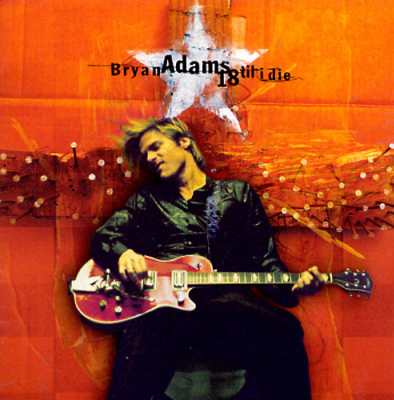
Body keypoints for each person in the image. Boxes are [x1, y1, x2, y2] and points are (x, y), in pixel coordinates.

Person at [91, 117, 325, 400]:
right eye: (145, 155)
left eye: (156, 147)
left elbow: (264, 260)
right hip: (165, 308)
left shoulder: (237, 194)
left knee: (285, 329)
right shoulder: (147, 199)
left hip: (229, 306)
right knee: (139, 339)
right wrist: (124, 253)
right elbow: (105, 236)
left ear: (184, 141)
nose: (150, 158)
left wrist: (292, 285)